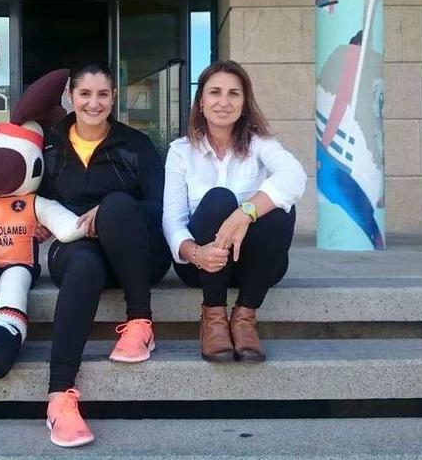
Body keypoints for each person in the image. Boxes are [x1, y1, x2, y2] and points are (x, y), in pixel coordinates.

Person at [39, 64, 171, 447]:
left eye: (102, 95)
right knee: (82, 263)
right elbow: (38, 200)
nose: (93, 103)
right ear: (70, 96)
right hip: (78, 251)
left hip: (137, 256)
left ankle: (140, 322)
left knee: (115, 204)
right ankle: (59, 398)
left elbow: (161, 206)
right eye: (85, 94)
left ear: (114, 97)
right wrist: (41, 222)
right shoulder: (51, 147)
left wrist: (112, 211)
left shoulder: (136, 145)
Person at [162, 60, 306, 362]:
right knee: (218, 199)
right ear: (201, 102)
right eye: (215, 92)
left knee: (280, 208)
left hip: (254, 265)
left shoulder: (261, 144)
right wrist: (195, 253)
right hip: (201, 265)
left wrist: (246, 213)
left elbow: (294, 175)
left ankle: (244, 317)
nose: (224, 102)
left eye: (233, 94)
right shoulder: (181, 151)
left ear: (244, 102)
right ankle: (213, 316)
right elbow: (172, 220)